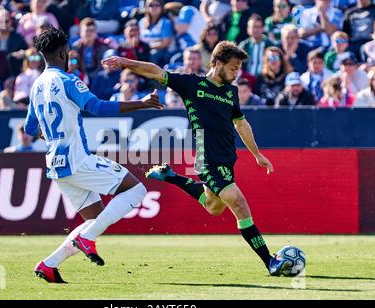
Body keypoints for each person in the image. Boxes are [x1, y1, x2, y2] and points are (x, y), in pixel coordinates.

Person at [102, 40, 291, 276]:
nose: (236, 73)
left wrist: (257, 154)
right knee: (238, 202)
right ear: (218, 63)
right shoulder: (192, 84)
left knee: (214, 207)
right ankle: (270, 261)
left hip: (226, 160)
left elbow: (240, 123)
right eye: (233, 68)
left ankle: (171, 176)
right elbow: (155, 71)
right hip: (206, 158)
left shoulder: (230, 93)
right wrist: (124, 62)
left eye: (239, 68)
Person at [27, 27, 163, 283]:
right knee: (136, 191)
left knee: (96, 218)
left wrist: (49, 134)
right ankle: (85, 239)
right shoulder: (67, 81)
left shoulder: (36, 87)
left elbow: (30, 128)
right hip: (78, 159)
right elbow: (98, 107)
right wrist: (142, 103)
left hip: (56, 165)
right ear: (63, 52)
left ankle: (49, 264)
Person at [138, 0, 174, 67]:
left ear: (161, 7)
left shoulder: (165, 22)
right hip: (144, 49)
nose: (154, 7)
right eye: (151, 5)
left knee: (153, 54)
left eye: (157, 5)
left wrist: (148, 47)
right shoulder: (142, 22)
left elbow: (166, 43)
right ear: (146, 7)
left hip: (163, 52)